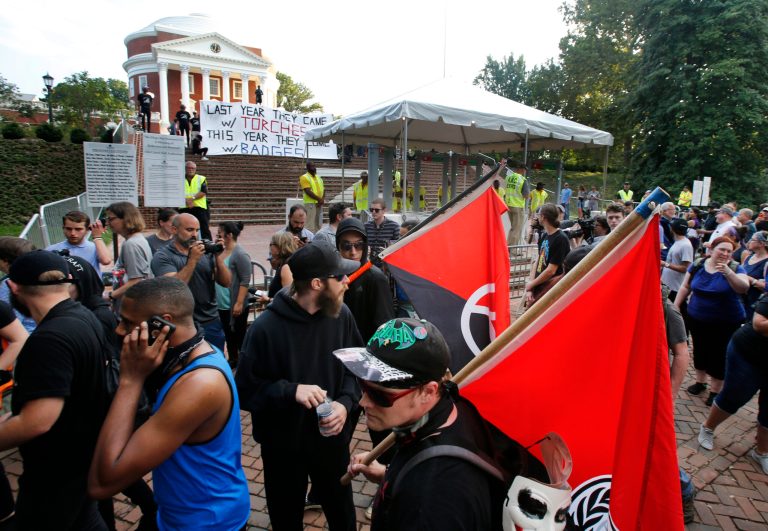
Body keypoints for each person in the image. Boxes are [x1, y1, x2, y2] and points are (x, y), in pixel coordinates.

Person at [88, 277, 250, 530]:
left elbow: (103, 483)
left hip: (205, 520)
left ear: (164, 323)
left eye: (128, 322)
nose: (119, 330)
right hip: (180, 513)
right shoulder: (197, 352)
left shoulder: (199, 384)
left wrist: (131, 380)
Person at [344, 318, 533, 530]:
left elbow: (434, 489)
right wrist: (390, 476)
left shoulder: (433, 499)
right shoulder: (450, 409)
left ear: (428, 391)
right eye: (362, 385)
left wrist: (412, 484)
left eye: (379, 395)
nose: (363, 402)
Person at [236, 243, 362, 531]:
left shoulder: (341, 315)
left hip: (331, 442)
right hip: (282, 448)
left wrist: (345, 402)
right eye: (339, 277)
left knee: (342, 515)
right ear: (317, 283)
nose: (347, 282)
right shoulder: (264, 329)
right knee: (285, 518)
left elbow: (356, 367)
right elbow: (244, 389)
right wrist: (290, 390)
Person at [1, 250, 110, 530]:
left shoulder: (49, 339)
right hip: (81, 459)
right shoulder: (84, 316)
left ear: (13, 287)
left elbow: (37, 421)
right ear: (68, 281)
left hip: (56, 472)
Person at [697, 293, 768, 474]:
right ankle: (708, 427)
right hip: (748, 354)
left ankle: (762, 451)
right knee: (734, 396)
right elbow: (760, 324)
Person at [675, 237, 750, 406]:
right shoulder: (698, 264)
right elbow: (686, 286)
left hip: (725, 322)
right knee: (700, 349)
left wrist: (727, 273)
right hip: (697, 318)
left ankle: (716, 389)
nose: (725, 253)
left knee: (719, 354)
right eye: (721, 249)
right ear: (712, 249)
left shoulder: (735, 268)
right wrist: (676, 306)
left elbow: (743, 288)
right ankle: (700, 382)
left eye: (729, 251)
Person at [151, 213, 231, 351]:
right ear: (174, 230)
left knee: (213, 361)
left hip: (210, 320)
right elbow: (172, 288)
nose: (195, 234)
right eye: (189, 230)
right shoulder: (163, 256)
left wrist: (218, 257)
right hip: (181, 323)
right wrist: (192, 260)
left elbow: (226, 282)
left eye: (197, 230)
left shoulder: (205, 252)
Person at [336, 218, 394, 342]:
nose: (353, 252)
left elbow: (385, 327)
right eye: (346, 246)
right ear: (338, 247)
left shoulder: (376, 278)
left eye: (358, 245)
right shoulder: (332, 276)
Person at [215, 221, 251, 369]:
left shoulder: (240, 254)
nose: (217, 235)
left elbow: (245, 280)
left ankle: (244, 362)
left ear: (229, 235)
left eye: (219, 233)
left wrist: (239, 302)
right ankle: (233, 358)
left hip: (235, 303)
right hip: (221, 304)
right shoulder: (220, 252)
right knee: (228, 334)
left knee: (239, 335)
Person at [104, 202, 153, 305]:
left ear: (126, 218)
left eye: (111, 219)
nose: (108, 223)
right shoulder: (135, 239)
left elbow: (136, 281)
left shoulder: (131, 244)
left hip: (135, 305)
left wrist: (110, 295)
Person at [525, 204, 570, 306]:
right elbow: (538, 261)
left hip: (550, 288)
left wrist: (532, 284)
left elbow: (551, 270)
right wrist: (531, 287)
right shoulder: (545, 235)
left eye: (539, 214)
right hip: (538, 286)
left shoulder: (560, 239)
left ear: (543, 217)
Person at [47, 210, 112, 273]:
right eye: (68, 229)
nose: (73, 233)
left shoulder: (96, 247)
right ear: (63, 228)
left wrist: (97, 237)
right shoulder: (51, 250)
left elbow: (106, 261)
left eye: (78, 229)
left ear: (87, 229)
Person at [0, 237, 36, 332]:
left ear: (5, 261)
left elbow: (8, 318)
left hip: (23, 337)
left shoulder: (9, 283)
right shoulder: (37, 278)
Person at [661, 218, 695, 302]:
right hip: (668, 286)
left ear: (672, 229)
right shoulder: (678, 242)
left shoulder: (685, 245)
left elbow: (685, 268)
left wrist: (665, 264)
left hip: (675, 288)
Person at [499, 160, 530, 246]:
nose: (525, 171)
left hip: (509, 205)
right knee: (516, 229)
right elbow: (526, 195)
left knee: (513, 228)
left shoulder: (509, 177)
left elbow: (506, 189)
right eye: (524, 169)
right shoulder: (522, 180)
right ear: (521, 169)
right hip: (518, 206)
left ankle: (509, 246)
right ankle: (511, 249)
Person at [180, 160, 211, 240]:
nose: (191, 170)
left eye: (193, 168)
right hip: (183, 207)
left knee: (204, 228)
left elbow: (204, 192)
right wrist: (186, 200)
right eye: (188, 168)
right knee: (183, 227)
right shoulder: (179, 179)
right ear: (185, 169)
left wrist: (191, 199)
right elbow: (175, 191)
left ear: (195, 169)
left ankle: (208, 246)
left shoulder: (201, 178)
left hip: (199, 207)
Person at [364, 198, 401, 267]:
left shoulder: (394, 226)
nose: (373, 212)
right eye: (371, 210)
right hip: (369, 264)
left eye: (377, 210)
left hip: (386, 264)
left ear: (384, 210)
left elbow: (398, 248)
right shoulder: (366, 226)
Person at [741, 231, 768, 320]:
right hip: (741, 299)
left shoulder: (766, 262)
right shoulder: (748, 257)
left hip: (754, 304)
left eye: (752, 239)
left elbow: (766, 287)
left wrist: (750, 279)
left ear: (761, 244)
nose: (749, 241)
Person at [264, 232, 298, 302]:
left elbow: (290, 299)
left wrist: (268, 300)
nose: (270, 247)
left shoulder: (286, 267)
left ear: (279, 246)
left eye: (271, 244)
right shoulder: (284, 262)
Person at [300, 161, 325, 232]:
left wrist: (322, 199)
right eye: (312, 166)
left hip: (319, 203)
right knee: (310, 224)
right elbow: (307, 191)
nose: (314, 168)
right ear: (307, 168)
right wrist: (319, 199)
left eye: (314, 166)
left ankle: (317, 239)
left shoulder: (318, 177)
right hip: (310, 203)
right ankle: (309, 240)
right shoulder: (304, 177)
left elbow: (323, 189)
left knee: (318, 224)